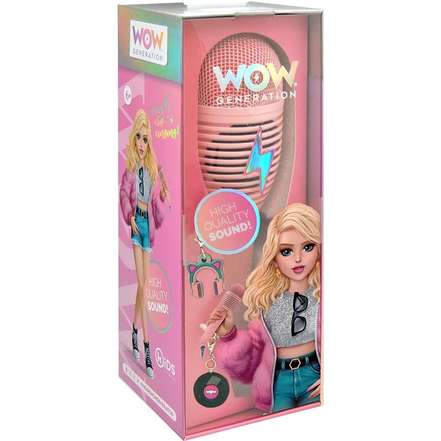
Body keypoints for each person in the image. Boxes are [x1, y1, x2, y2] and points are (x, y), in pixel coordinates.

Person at [208, 203, 321, 411]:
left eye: (308, 247)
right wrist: (229, 336)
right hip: (277, 382)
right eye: (286, 251)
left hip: (314, 375)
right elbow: (250, 361)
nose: (298, 258)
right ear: (274, 257)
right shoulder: (267, 301)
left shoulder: (321, 294)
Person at [120, 109, 169, 378]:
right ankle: (148, 347)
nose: (141, 143)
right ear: (133, 139)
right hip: (136, 223)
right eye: (138, 137)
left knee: (143, 284)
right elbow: (123, 194)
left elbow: (158, 201)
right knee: (143, 284)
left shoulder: (151, 168)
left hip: (147, 226)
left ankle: (134, 332)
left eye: (146, 138)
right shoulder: (130, 169)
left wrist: (164, 193)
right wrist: (129, 216)